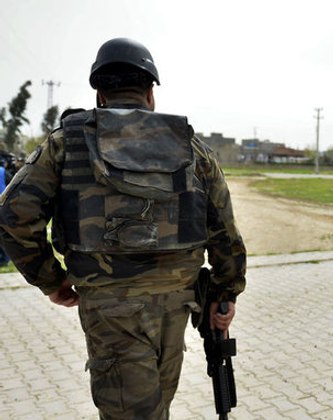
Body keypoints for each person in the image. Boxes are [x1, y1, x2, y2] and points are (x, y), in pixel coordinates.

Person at [0, 38, 247, 419]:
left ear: (99, 94)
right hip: (177, 304)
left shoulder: (66, 144)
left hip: (109, 310)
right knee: (156, 406)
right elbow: (225, 233)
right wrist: (225, 294)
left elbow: (14, 215)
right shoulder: (192, 148)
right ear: (150, 94)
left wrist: (52, 280)